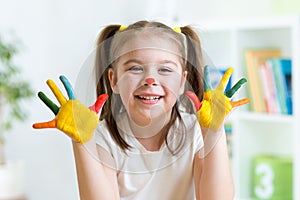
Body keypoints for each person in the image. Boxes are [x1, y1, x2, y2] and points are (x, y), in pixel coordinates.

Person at [33, 20, 249, 200]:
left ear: (182, 81)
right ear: (114, 80)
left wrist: (214, 132)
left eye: (165, 69)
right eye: (135, 68)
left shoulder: (195, 130)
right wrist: (82, 143)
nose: (150, 80)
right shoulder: (103, 136)